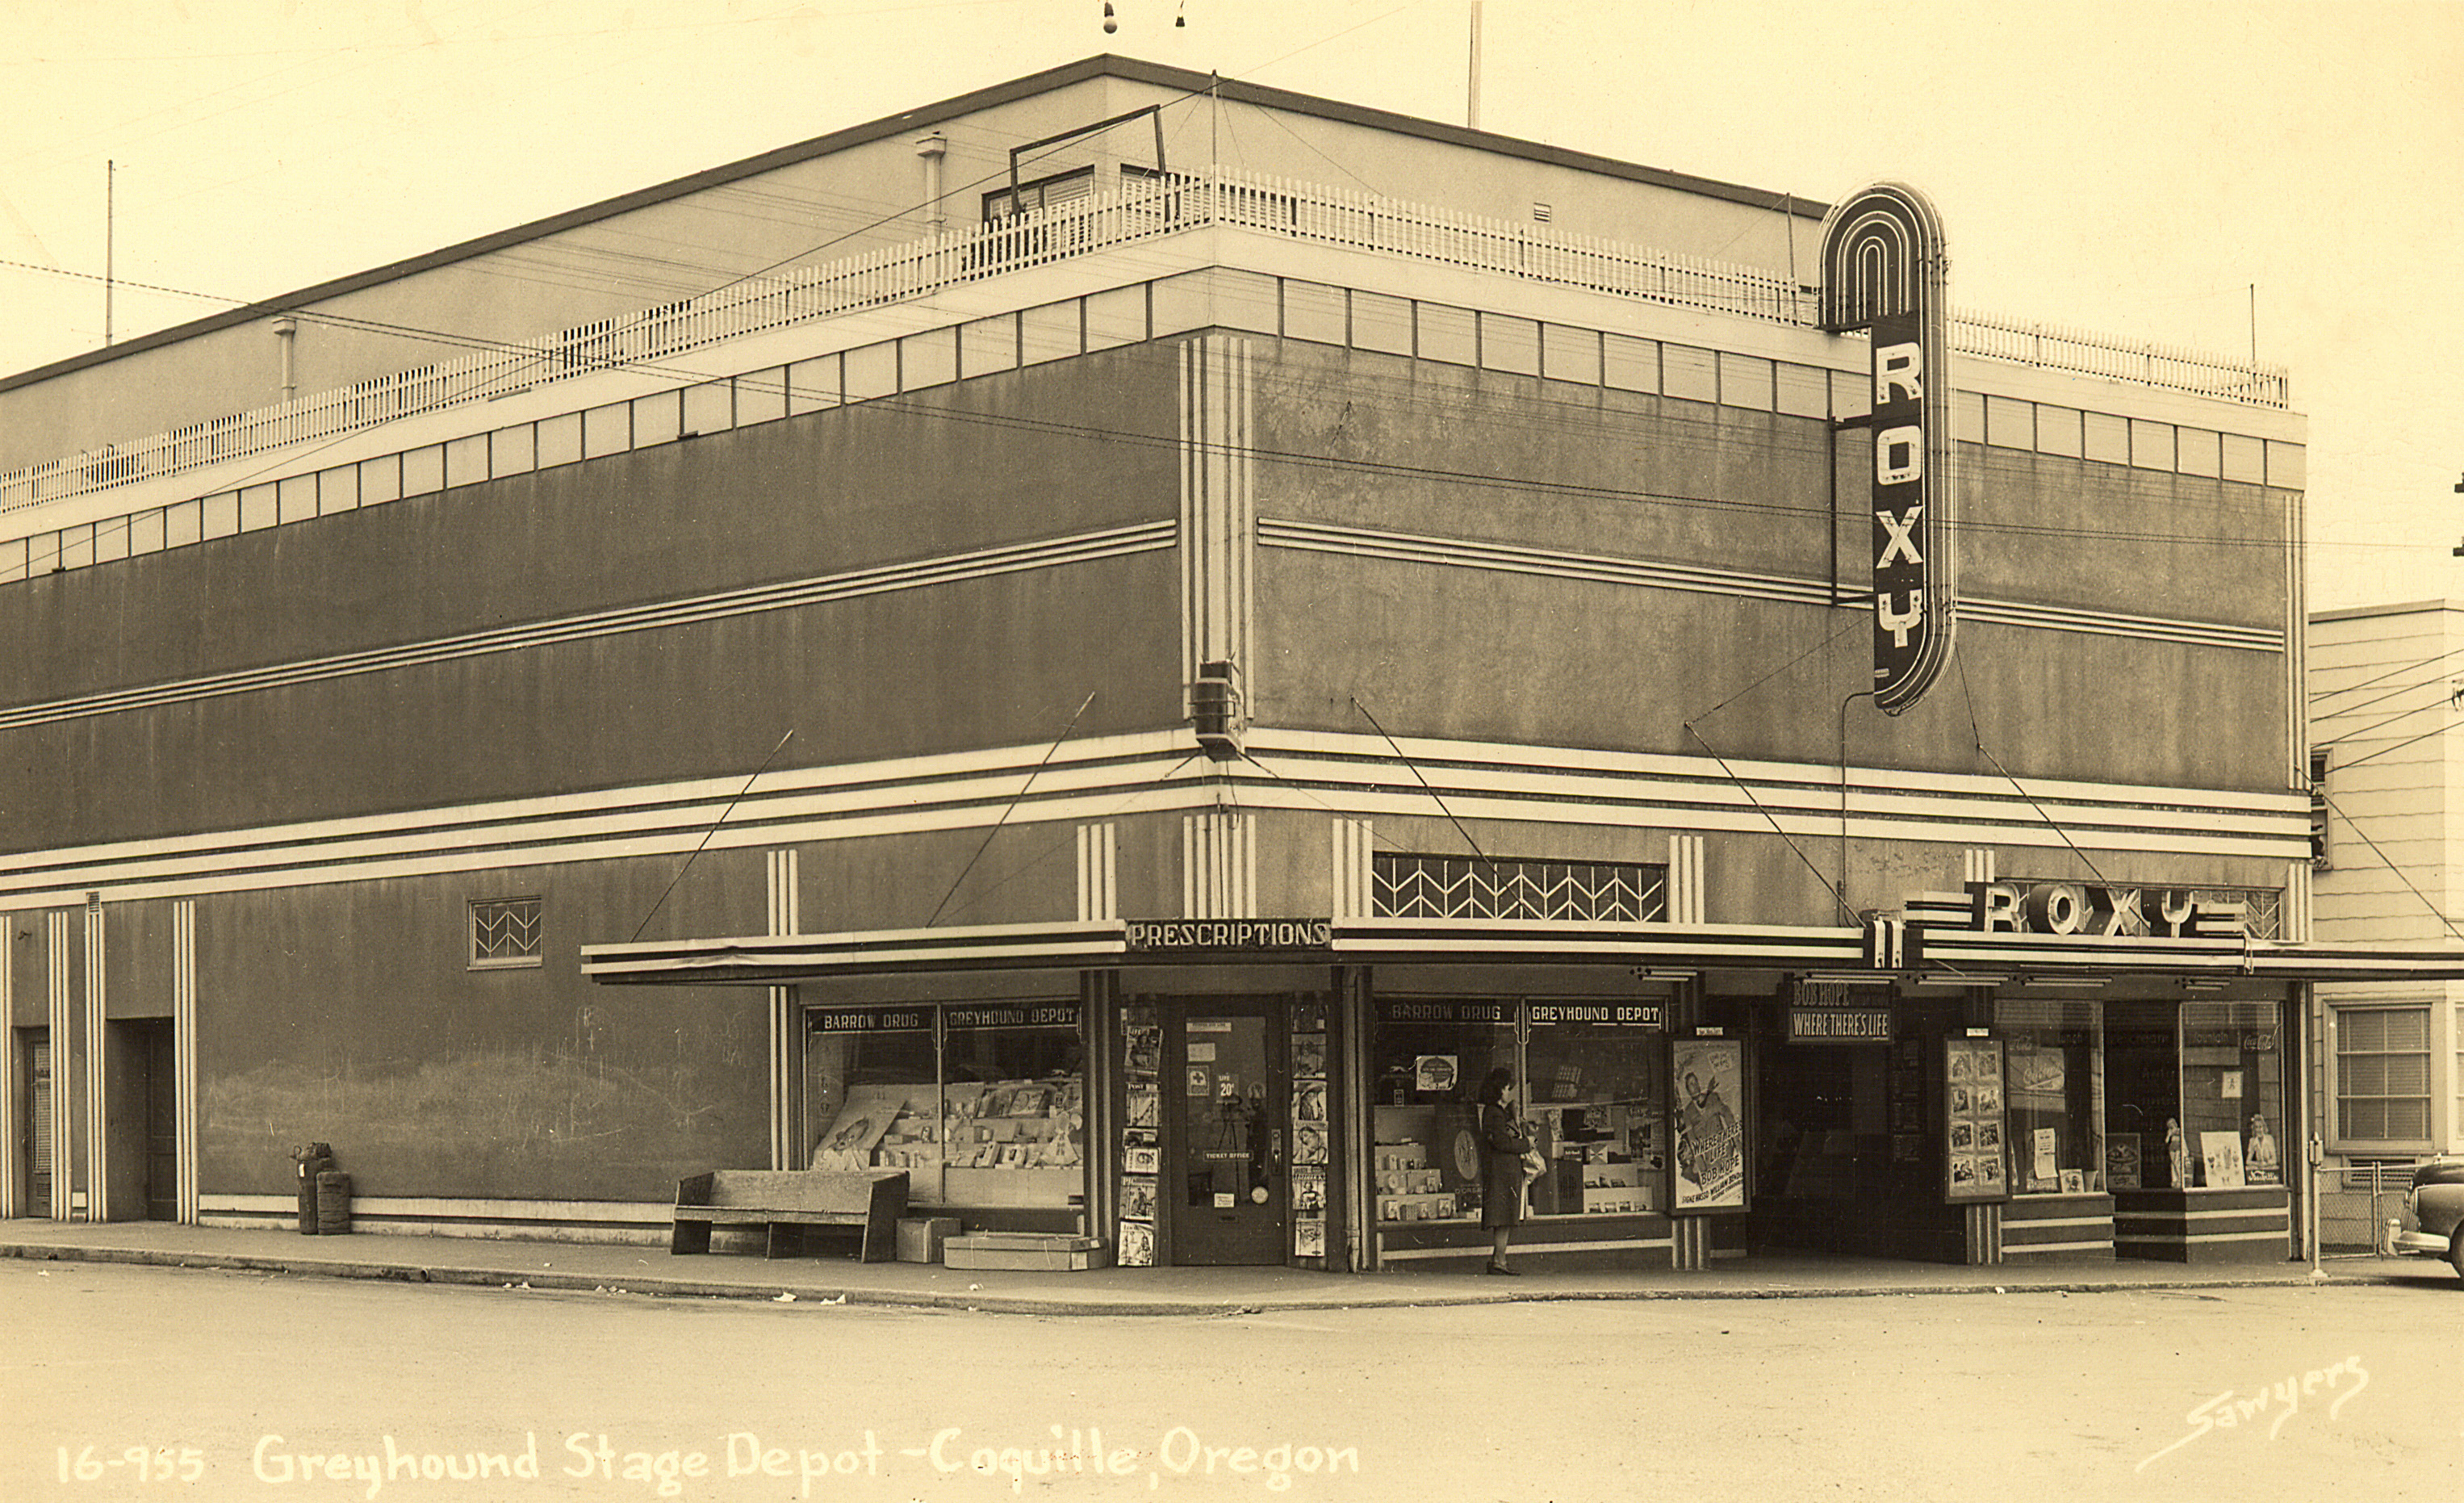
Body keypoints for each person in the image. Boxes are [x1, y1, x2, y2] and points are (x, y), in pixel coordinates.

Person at [1475, 1067, 1533, 1276]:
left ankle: (1499, 1259)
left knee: (1505, 1217)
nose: (1509, 1092)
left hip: (1503, 1171)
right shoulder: (1494, 1113)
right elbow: (1502, 1142)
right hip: (1502, 1171)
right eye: (1507, 1088)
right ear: (1499, 1089)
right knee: (1503, 1217)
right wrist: (1526, 1144)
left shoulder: (1497, 1112)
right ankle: (1499, 1260)